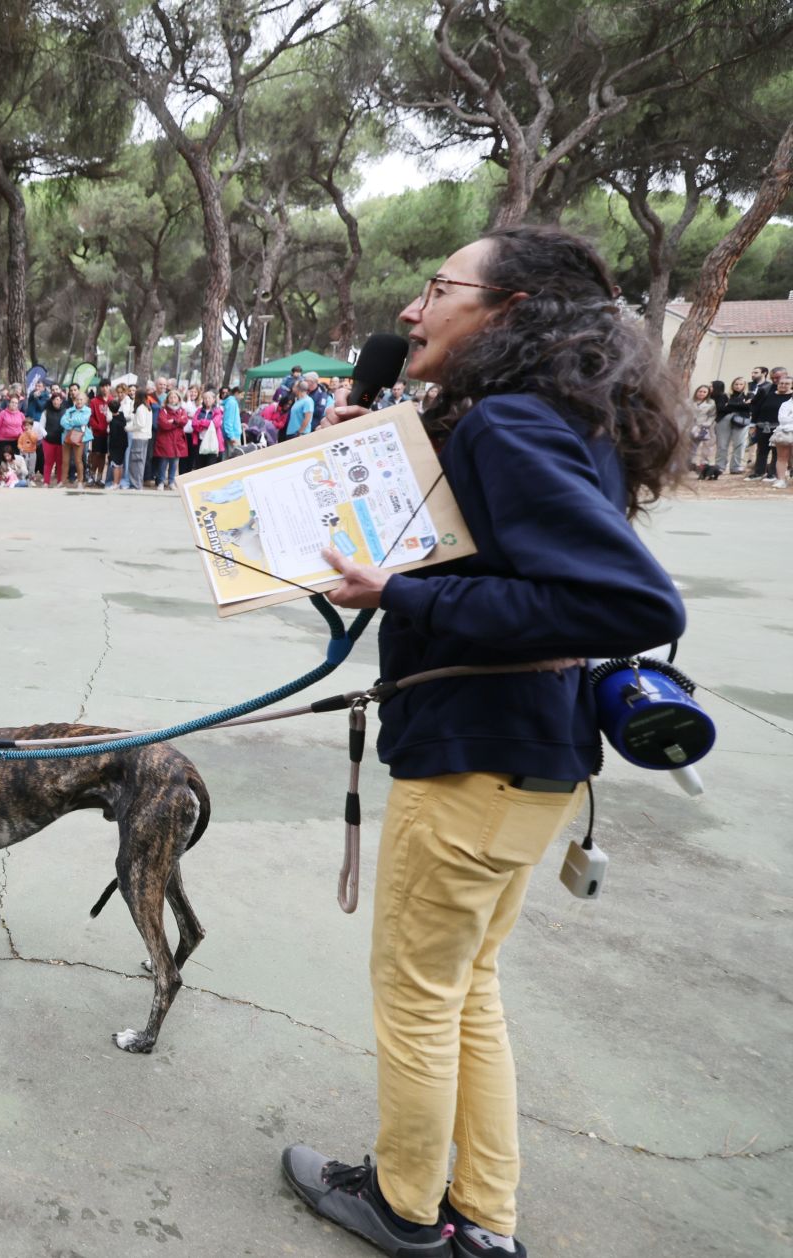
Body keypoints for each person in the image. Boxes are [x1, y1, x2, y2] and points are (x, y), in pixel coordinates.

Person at [283, 225, 688, 1258]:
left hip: (475, 757)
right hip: (528, 760)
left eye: (437, 289)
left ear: (511, 311)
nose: (410, 311)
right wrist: (372, 462)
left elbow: (629, 600)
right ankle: (485, 1219)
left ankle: (405, 1206)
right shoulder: (536, 415)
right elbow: (501, 557)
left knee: (419, 995)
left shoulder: (509, 422)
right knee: (466, 989)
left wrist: (405, 594)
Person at [745, 367, 786, 482]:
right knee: (762, 450)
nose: (775, 380)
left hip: (781, 427)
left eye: (777, 377)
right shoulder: (766, 389)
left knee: (777, 452)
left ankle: (773, 473)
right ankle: (758, 472)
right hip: (763, 425)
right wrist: (753, 424)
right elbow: (756, 407)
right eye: (772, 378)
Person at [152, 391, 187, 489]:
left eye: (175, 397)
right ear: (167, 399)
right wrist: (177, 424)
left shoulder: (182, 410)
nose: (172, 399)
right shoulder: (163, 410)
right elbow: (163, 424)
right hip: (165, 441)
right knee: (163, 463)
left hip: (177, 441)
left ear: (178, 399)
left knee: (174, 463)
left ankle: (171, 481)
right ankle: (161, 482)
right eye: (171, 397)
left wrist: (174, 421)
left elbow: (184, 421)